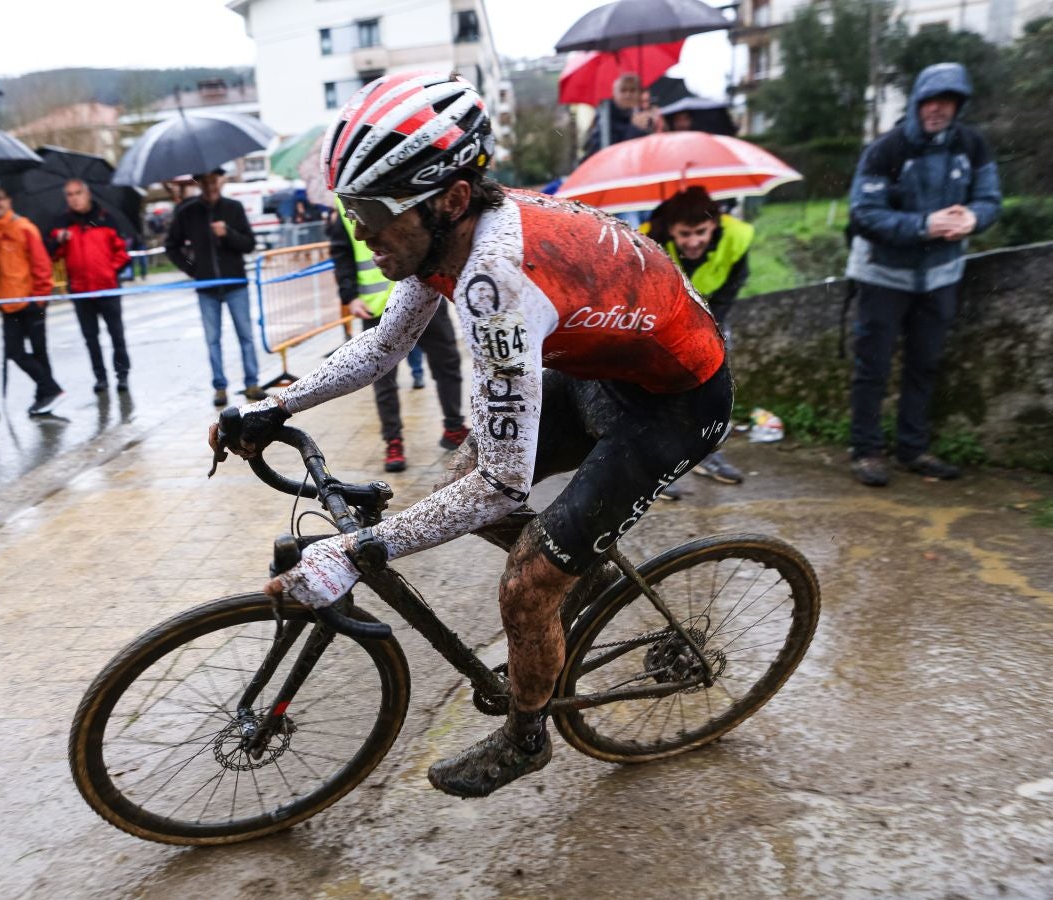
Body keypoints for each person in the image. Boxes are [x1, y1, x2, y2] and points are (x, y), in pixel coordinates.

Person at [211, 73, 731, 798]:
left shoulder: (496, 278)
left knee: (524, 584)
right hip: (600, 373)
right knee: (460, 482)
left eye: (370, 209)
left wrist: (357, 550)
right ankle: (586, 571)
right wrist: (278, 405)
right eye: (348, 207)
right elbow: (385, 345)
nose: (359, 229)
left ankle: (526, 737)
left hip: (673, 403)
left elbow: (503, 487)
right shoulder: (448, 234)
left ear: (452, 198)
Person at [846, 62, 1000, 487]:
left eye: (947, 101)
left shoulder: (972, 146)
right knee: (872, 365)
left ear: (958, 105)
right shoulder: (886, 149)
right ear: (917, 102)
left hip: (941, 274)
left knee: (925, 363)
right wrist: (922, 225)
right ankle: (866, 450)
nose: (937, 109)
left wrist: (973, 217)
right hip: (883, 274)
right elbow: (864, 212)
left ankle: (913, 448)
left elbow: (990, 198)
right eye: (931, 100)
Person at [328, 196, 468, 472]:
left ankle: (454, 427)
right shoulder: (342, 203)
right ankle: (393, 440)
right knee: (382, 378)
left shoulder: (403, 186)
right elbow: (342, 253)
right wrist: (350, 296)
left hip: (426, 293)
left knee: (447, 362)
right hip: (377, 306)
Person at [644, 185, 754, 485]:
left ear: (714, 225)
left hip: (712, 314)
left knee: (716, 388)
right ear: (670, 230)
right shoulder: (646, 242)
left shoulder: (736, 239)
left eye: (701, 232)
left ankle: (708, 452)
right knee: (654, 389)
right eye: (684, 234)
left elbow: (731, 287)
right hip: (661, 317)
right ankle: (653, 461)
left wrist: (709, 330)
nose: (693, 242)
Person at [165, 168, 265, 407]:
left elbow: (249, 244)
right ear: (198, 183)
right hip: (207, 287)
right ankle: (219, 387)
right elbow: (171, 245)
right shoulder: (188, 212)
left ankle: (252, 383)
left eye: (214, 180)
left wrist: (227, 233)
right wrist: (193, 269)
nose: (210, 185)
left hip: (235, 282)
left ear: (220, 181)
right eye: (205, 181)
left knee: (245, 335)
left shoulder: (233, 208)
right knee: (213, 339)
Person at [0, 186, 64, 417]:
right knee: (15, 351)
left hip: (30, 301)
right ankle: (50, 390)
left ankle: (45, 396)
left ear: (9, 200)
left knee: (39, 352)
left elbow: (41, 265)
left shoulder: (24, 228)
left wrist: (39, 299)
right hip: (8, 303)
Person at [48, 179, 131, 394]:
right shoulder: (61, 224)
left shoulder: (106, 218)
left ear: (87, 194)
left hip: (108, 288)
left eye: (78, 193)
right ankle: (100, 378)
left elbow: (122, 254)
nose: (74, 198)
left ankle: (122, 375)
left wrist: (109, 271)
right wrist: (59, 241)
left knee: (117, 335)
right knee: (90, 338)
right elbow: (52, 255)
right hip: (81, 291)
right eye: (69, 194)